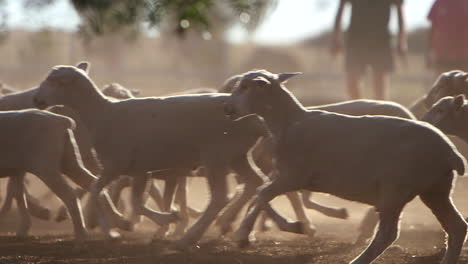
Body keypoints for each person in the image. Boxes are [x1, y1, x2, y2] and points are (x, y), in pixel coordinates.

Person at [330, 0, 407, 100]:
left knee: (379, 88)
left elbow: (399, 10)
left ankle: (379, 113)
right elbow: (341, 8)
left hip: (380, 42)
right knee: (352, 85)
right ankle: (357, 112)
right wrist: (336, 38)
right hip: (356, 40)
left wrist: (401, 41)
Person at [427, 0, 468, 74]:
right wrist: (429, 52)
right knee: (443, 82)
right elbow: (432, 29)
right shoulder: (439, 3)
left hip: (464, 58)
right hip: (443, 57)